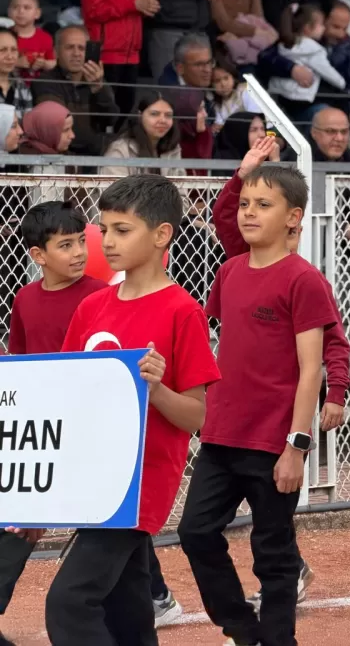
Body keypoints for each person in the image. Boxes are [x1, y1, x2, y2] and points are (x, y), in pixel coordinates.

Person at [22, 175, 220, 645]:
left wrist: (155, 389)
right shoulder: (92, 306)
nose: (106, 241)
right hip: (93, 477)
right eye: (104, 229)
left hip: (139, 483)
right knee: (127, 607)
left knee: (70, 602)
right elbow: (66, 393)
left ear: (162, 235)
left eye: (122, 230)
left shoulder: (181, 311)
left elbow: (197, 416)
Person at [179, 163, 339, 646]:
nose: (249, 212)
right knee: (195, 533)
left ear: (293, 218)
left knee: (273, 552)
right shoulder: (228, 272)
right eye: (246, 203)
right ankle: (242, 631)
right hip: (221, 435)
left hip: (274, 443)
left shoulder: (303, 279)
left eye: (262, 205)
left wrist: (297, 445)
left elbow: (312, 369)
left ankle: (277, 640)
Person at [0, 202, 107, 646]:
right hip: (43, 434)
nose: (80, 252)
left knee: (109, 524)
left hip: (90, 430)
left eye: (81, 241)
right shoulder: (24, 299)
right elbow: (22, 365)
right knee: (18, 521)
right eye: (65, 245)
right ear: (37, 255)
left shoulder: (102, 294)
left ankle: (153, 593)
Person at [33, 26, 121, 158]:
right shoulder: (45, 81)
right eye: (69, 47)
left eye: (82, 48)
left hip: (95, 158)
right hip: (59, 158)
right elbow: (57, 124)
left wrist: (98, 88)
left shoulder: (97, 81)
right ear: (56, 52)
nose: (76, 53)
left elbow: (111, 120)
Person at [269, 4, 345, 127]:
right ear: (308, 28)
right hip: (302, 99)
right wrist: (342, 82)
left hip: (280, 95)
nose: (323, 28)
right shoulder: (314, 50)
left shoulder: (284, 45)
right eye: (321, 25)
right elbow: (328, 72)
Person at [102, 93, 183, 177]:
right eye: (154, 114)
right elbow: (117, 189)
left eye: (168, 115)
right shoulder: (120, 150)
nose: (163, 120)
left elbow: (182, 188)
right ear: (140, 115)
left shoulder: (173, 148)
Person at [322, 1, 350, 115]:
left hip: (342, 99)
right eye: (336, 27)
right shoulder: (309, 45)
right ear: (323, 21)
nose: (341, 34)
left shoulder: (347, 46)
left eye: (345, 29)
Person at [8, 0, 55, 81]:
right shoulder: (4, 36)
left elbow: (53, 62)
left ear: (37, 13)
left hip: (39, 87)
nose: (21, 11)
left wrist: (44, 64)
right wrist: (15, 63)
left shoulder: (45, 38)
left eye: (27, 7)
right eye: (15, 7)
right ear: (9, 11)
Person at [0, 28, 32, 117]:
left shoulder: (21, 86)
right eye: (2, 50)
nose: (10, 56)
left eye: (14, 50)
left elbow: (27, 124)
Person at [213, 58, 252, 130]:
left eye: (226, 78)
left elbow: (255, 119)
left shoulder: (245, 91)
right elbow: (218, 125)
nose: (223, 84)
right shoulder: (218, 104)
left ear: (233, 77)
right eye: (217, 81)